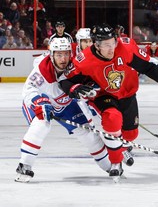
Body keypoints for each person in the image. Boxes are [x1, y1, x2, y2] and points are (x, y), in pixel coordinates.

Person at [59, 23, 158, 178]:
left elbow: (148, 67)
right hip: (103, 96)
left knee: (131, 134)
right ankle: (115, 162)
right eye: (107, 45)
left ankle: (118, 146)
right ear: (96, 45)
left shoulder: (125, 48)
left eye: (113, 42)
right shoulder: (84, 60)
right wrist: (74, 88)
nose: (112, 48)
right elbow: (65, 80)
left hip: (127, 93)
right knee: (112, 119)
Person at [15, 38, 114, 183]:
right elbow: (28, 89)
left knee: (88, 134)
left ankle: (111, 167)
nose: (63, 59)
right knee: (42, 124)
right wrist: (39, 102)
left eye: (66, 54)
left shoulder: (75, 66)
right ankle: (25, 165)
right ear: (51, 55)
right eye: (59, 55)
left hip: (65, 104)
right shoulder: (42, 70)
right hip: (43, 102)